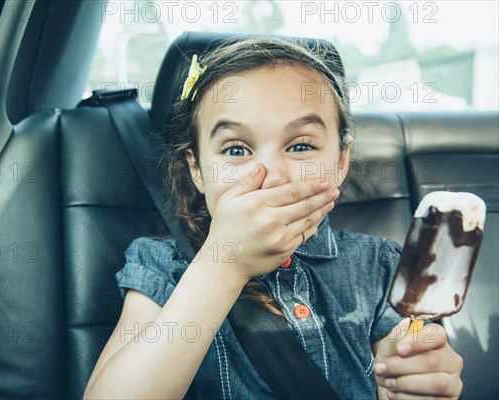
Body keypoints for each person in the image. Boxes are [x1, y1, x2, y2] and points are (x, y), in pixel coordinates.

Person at [84, 38, 463, 399]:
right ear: (197, 169)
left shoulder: (381, 267)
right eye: (236, 149)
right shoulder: (162, 265)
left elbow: (406, 363)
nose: (272, 173)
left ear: (341, 160)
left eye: (300, 146)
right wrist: (223, 266)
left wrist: (415, 377)